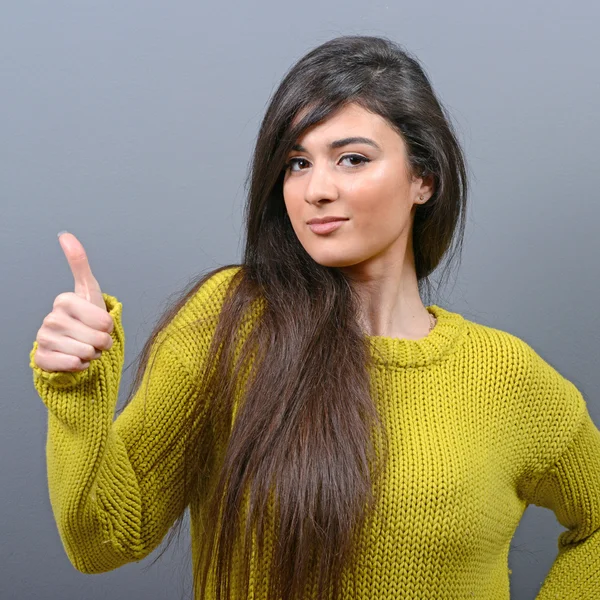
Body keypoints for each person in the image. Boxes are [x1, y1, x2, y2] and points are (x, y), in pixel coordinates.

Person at [30, 34, 600, 600]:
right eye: (297, 163)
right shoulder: (228, 324)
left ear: (422, 179)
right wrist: (77, 389)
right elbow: (103, 540)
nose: (317, 189)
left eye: (352, 159)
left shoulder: (506, 377)